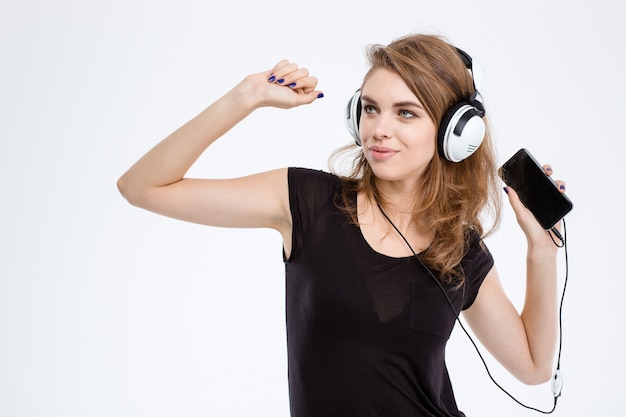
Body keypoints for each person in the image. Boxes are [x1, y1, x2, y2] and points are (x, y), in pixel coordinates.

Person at [117, 33, 566, 417]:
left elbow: (532, 366)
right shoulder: (307, 202)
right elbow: (143, 187)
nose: (379, 129)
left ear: (455, 131)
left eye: (406, 113)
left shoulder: (460, 248)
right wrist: (246, 97)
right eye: (370, 109)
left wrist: (541, 250)